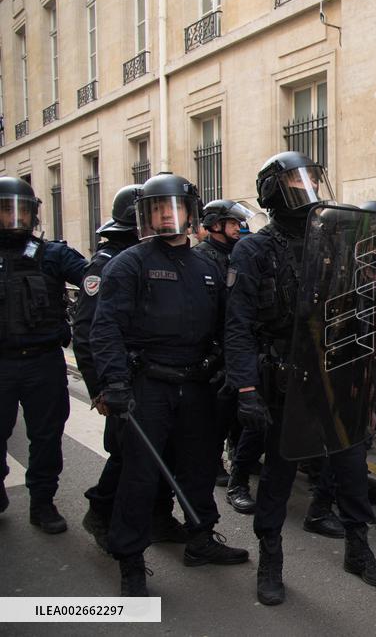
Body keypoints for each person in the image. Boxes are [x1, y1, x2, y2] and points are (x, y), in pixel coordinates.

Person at [226, 151, 376, 605]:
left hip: (334, 374)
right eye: (295, 184)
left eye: (310, 181)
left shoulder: (334, 242)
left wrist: (371, 365)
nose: (307, 191)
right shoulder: (253, 250)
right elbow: (238, 325)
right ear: (273, 195)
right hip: (283, 381)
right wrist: (246, 389)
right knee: (278, 476)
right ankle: (271, 560)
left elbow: (358, 306)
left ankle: (358, 549)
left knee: (351, 469)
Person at [90, 173, 249, 596]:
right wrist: (115, 383)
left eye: (173, 207)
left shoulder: (207, 265)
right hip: (149, 385)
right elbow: (104, 328)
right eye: (157, 209)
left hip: (197, 385)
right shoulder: (130, 263)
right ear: (146, 215)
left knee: (198, 468)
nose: (166, 215)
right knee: (140, 476)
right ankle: (130, 561)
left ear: (190, 212)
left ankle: (201, 539)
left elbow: (227, 324)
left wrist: (226, 366)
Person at [77, 186, 186, 550]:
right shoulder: (112, 263)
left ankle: (157, 517)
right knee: (127, 456)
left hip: (156, 379)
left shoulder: (164, 257)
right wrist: (103, 388)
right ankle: (102, 511)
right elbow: (90, 332)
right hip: (124, 379)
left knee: (160, 453)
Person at [0, 176, 86, 529]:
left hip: (44, 362)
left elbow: (98, 280)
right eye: (6, 210)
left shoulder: (52, 254)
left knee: (47, 437)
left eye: (22, 210)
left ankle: (43, 502)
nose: (15, 218)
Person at [192, 199, 264, 497]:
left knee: (241, 411)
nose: (239, 228)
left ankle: (238, 455)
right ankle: (212, 464)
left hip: (240, 341)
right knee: (217, 413)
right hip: (214, 347)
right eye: (233, 223)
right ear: (216, 225)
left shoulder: (241, 253)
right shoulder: (200, 258)